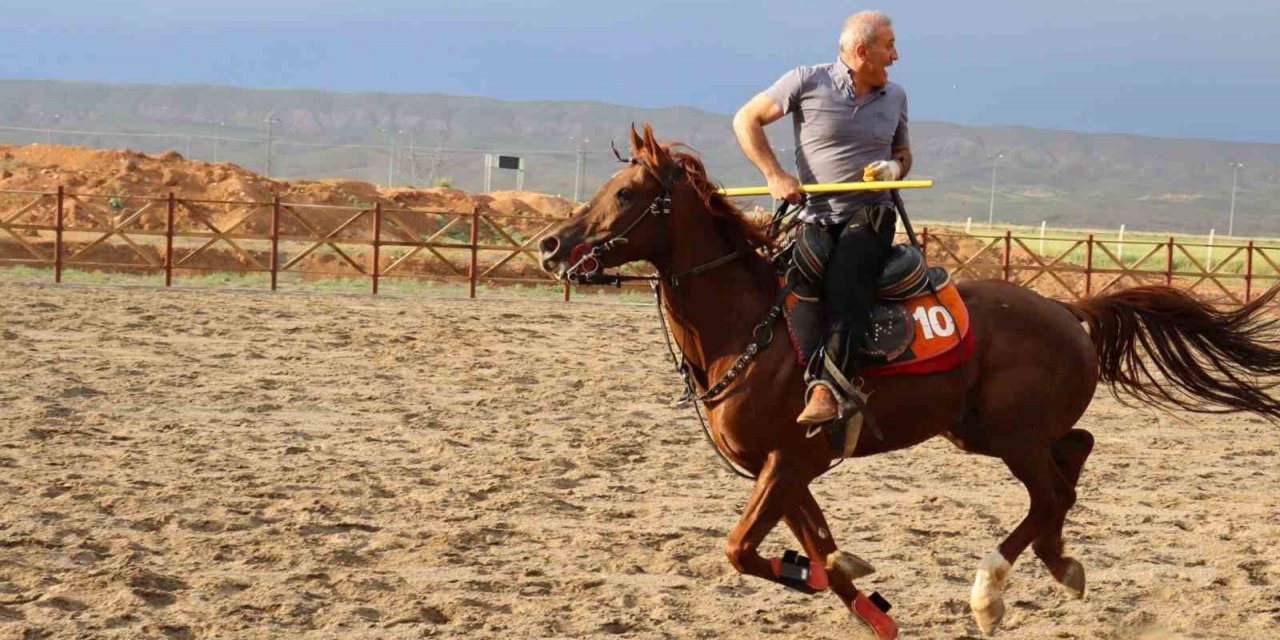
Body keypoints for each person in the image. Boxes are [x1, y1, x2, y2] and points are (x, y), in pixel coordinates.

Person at [732, 10, 911, 427]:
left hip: (871, 211)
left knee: (847, 282)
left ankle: (829, 388)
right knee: (800, 281)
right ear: (862, 51)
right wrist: (774, 175)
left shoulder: (897, 96)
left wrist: (895, 170)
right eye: (890, 46)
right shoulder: (805, 80)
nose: (896, 56)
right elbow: (746, 119)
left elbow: (904, 153)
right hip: (815, 212)